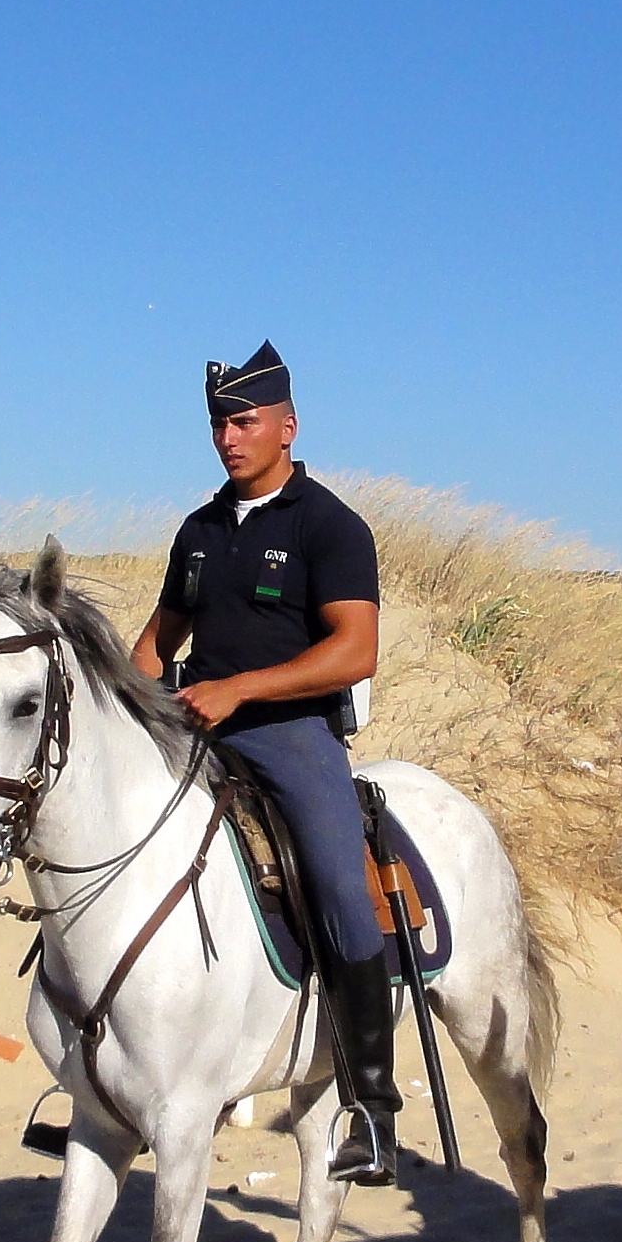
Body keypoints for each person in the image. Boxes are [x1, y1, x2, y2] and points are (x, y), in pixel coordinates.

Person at [127, 341, 407, 1186]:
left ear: (286, 425)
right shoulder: (199, 529)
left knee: (333, 874)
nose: (227, 436)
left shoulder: (329, 524)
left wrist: (242, 688)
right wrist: (130, 706)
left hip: (288, 734)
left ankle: (369, 1106)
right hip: (192, 728)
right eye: (218, 422)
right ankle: (111, 1080)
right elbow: (154, 643)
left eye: (243, 420)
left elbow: (354, 650)